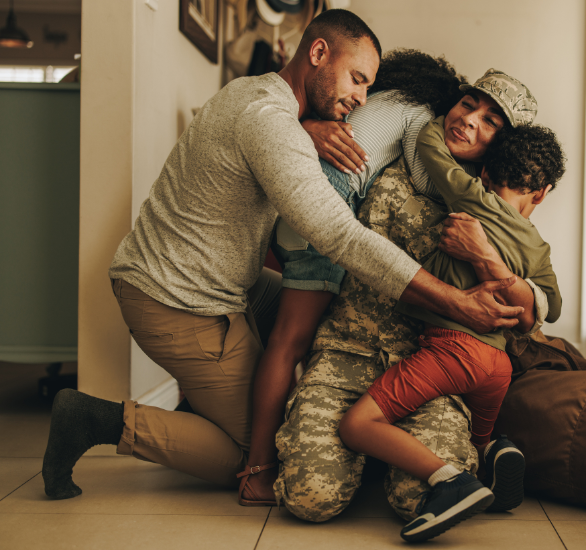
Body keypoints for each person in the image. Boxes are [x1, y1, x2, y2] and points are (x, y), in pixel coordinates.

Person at [40, 10, 525, 501]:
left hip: (227, 283)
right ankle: (96, 420)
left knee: (320, 317)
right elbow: (339, 234)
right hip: (177, 301)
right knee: (265, 447)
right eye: (356, 80)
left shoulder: (258, 94)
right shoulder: (269, 121)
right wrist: (454, 302)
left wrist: (309, 127)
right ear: (317, 53)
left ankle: (220, 402)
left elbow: (279, 137)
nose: (360, 99)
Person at [274, 70, 560, 525]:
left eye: (490, 122)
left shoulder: (495, 203)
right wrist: (309, 127)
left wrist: (486, 257)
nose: (468, 121)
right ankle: (364, 458)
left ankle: (398, 458)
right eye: (468, 105)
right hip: (346, 351)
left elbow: (532, 311)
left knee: (420, 498)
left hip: (428, 365)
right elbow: (300, 161)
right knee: (311, 497)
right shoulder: (387, 151)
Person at [240, 49, 481, 506]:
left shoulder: (373, 102)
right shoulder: (420, 115)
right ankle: (258, 470)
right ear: (444, 99)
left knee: (285, 343)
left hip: (291, 213)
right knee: (291, 341)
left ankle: (266, 461)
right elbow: (422, 170)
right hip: (326, 209)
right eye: (462, 107)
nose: (463, 122)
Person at [339, 111, 566, 542]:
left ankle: (450, 481)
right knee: (478, 438)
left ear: (483, 171)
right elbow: (550, 308)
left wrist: (441, 112)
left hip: (453, 350)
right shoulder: (538, 247)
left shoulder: (472, 198)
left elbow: (430, 145)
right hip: (498, 366)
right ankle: (492, 452)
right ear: (543, 191)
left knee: (356, 426)